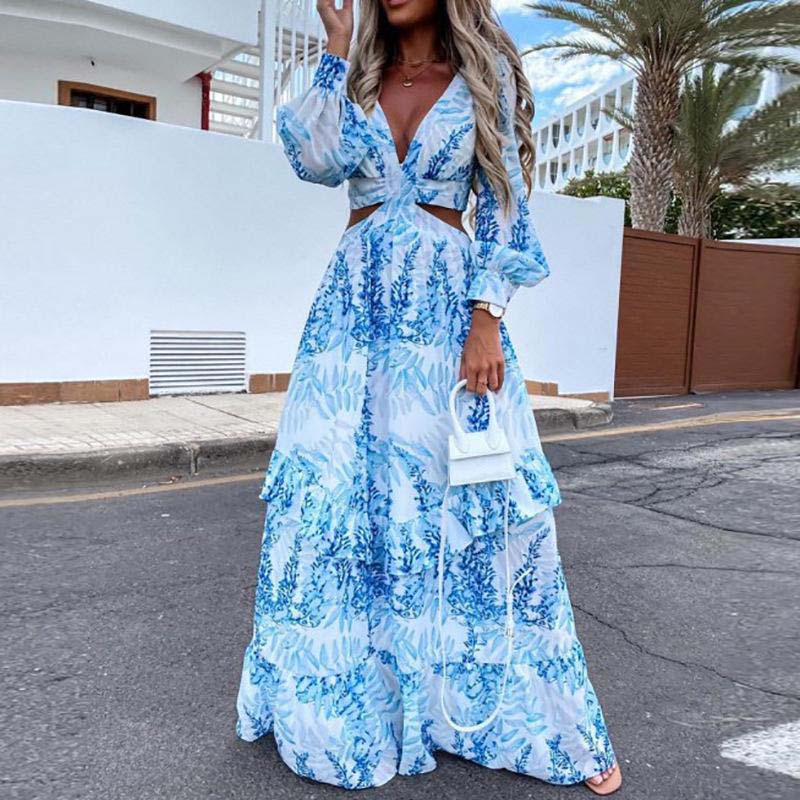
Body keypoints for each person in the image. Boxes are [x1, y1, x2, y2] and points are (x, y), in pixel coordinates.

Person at [235, 0, 621, 794]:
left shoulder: (481, 77)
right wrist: (335, 51)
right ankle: (355, 707)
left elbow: (506, 205)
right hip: (353, 318)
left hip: (444, 316)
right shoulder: (361, 77)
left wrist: (488, 318)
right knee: (340, 498)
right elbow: (314, 159)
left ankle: (536, 720)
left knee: (472, 499)